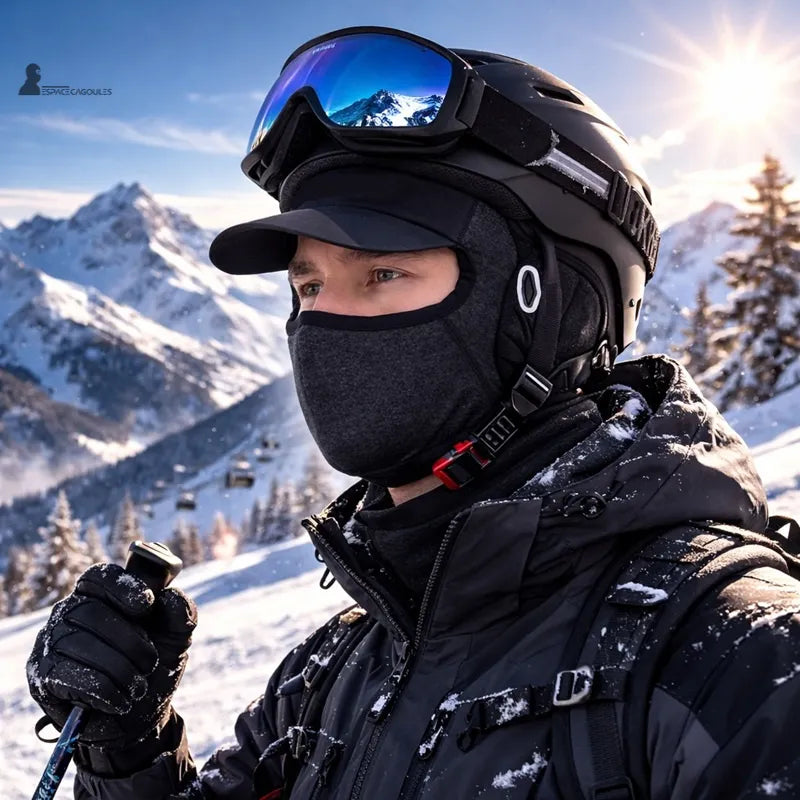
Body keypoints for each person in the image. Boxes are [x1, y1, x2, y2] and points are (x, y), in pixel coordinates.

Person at [27, 26, 800, 800]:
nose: (325, 326)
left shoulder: (731, 666)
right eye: (309, 287)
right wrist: (126, 752)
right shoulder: (330, 676)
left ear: (549, 309)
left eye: (384, 272)